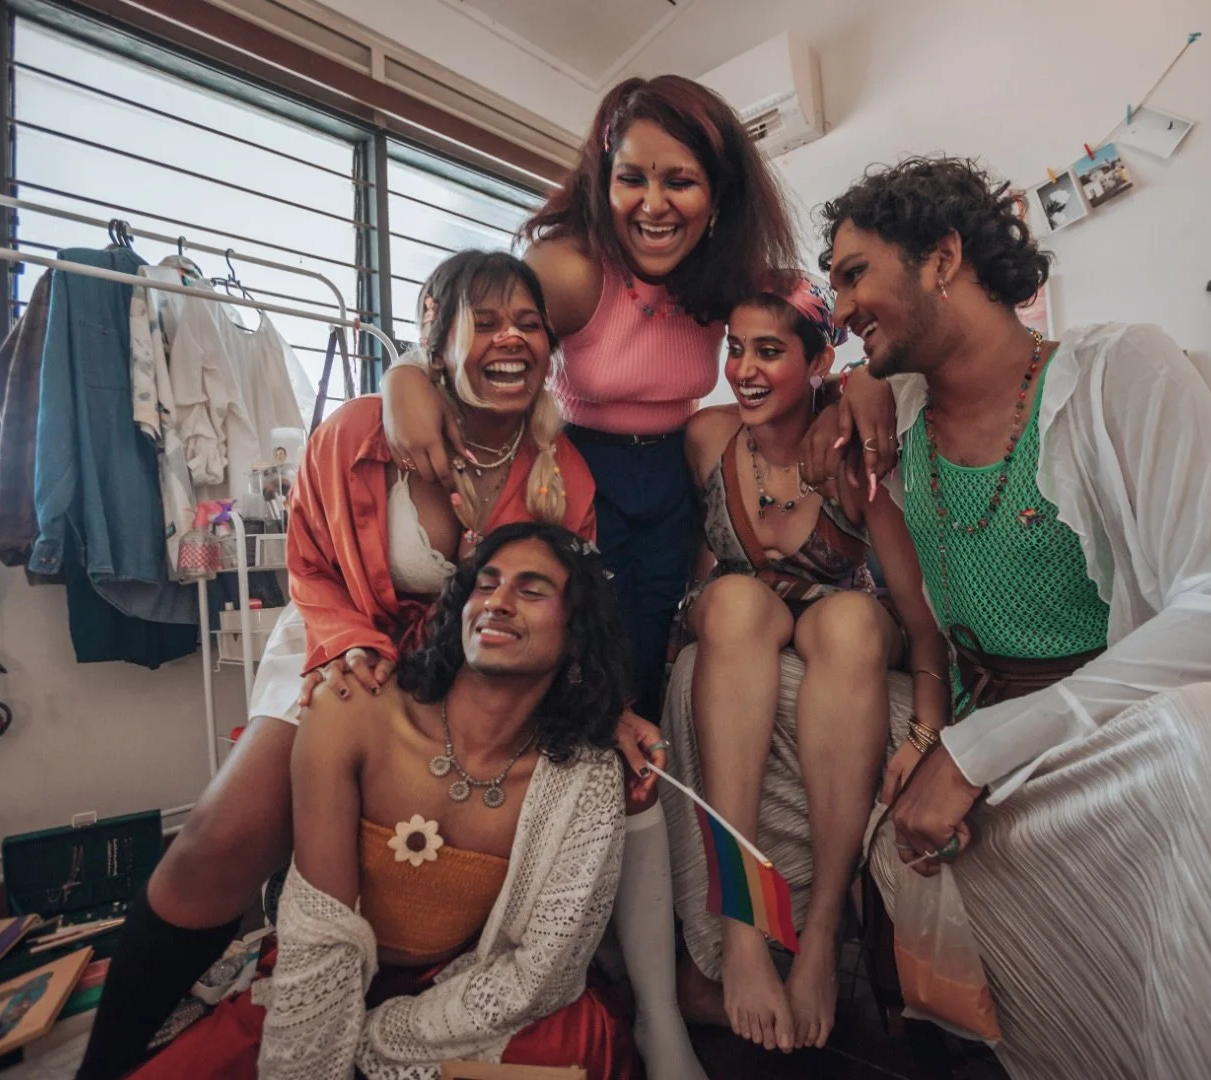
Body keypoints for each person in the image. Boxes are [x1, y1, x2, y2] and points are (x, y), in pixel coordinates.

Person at [813, 156, 1211, 1079]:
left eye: (854, 273)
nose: (841, 306)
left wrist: (981, 753)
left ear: (943, 257)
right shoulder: (893, 414)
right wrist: (935, 736)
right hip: (972, 758)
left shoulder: (1121, 373)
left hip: (1104, 748)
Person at [76, 251, 660, 1079]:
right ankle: (108, 1058)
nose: (510, 341)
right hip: (339, 639)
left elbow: (572, 609)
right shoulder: (359, 430)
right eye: (485, 322)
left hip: (467, 680)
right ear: (439, 338)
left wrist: (616, 705)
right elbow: (309, 564)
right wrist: (352, 646)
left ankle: (421, 992)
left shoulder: (563, 471)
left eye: (530, 326)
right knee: (222, 832)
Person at [383, 75, 797, 1080]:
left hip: (665, 495)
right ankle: (531, 952)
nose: (654, 203)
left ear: (720, 190)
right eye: (632, 178)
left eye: (682, 181)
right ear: (602, 179)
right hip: (571, 483)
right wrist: (401, 379)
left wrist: (864, 379)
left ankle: (646, 983)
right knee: (575, 717)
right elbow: (476, 339)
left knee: (636, 731)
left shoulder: (737, 273)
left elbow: (809, 342)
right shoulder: (570, 268)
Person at [132, 523, 640, 1078]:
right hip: (319, 983)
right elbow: (320, 934)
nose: (496, 602)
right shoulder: (352, 711)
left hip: (459, 992)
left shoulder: (583, 778)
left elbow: (540, 973)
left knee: (581, 1049)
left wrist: (383, 1036)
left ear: (576, 632)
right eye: (485, 584)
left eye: (531, 590)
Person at [658, 274, 951, 1053]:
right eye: (734, 349)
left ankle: (822, 931)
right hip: (742, 630)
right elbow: (688, 564)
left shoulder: (855, 457)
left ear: (818, 363)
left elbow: (921, 623)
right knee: (732, 603)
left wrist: (927, 728)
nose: (744, 369)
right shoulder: (706, 440)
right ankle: (742, 926)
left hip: (846, 632)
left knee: (854, 620)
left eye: (769, 352)